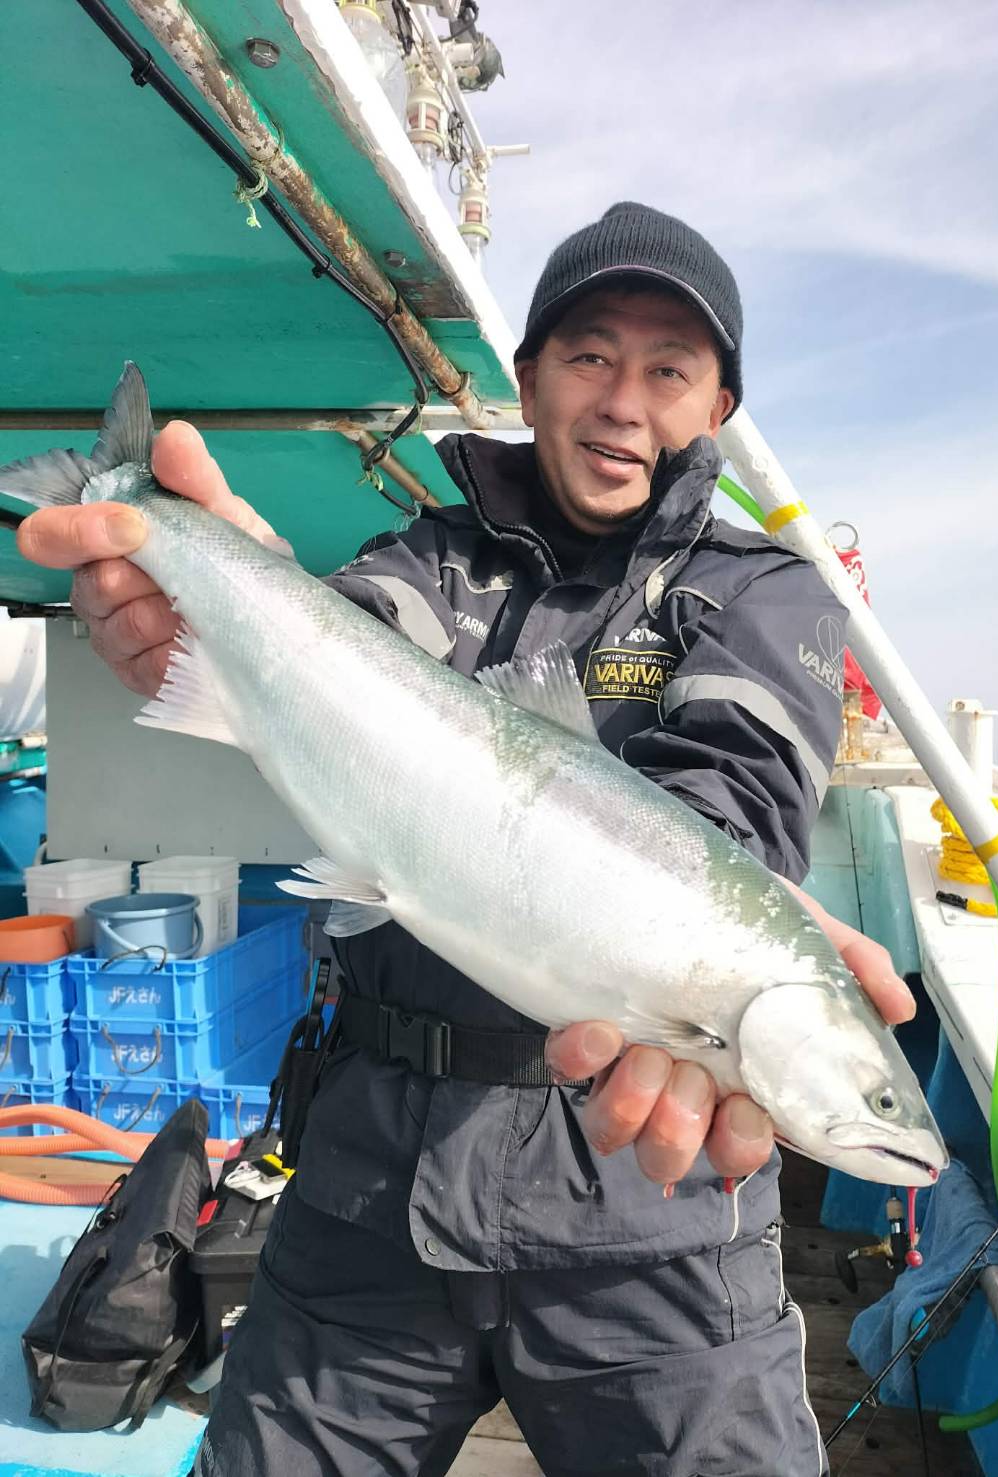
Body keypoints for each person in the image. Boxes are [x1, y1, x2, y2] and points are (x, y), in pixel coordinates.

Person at [20, 203, 915, 1476]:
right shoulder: (423, 563)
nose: (623, 400)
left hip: (651, 1227)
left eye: (669, 370)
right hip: (371, 1191)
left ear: (717, 406)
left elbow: (739, 788)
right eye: (591, 356)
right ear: (530, 378)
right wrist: (238, 587)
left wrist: (715, 930)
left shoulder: (765, 591)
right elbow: (350, 651)